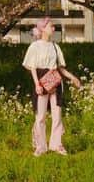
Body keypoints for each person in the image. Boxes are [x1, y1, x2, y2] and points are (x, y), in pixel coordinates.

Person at [22, 17, 82, 156]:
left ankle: (56, 145)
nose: (53, 28)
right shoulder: (35, 46)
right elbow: (32, 67)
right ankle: (40, 146)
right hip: (42, 80)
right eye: (51, 26)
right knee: (41, 115)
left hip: (55, 80)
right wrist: (37, 83)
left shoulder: (55, 46)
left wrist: (73, 78)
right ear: (43, 29)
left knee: (57, 114)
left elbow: (60, 68)